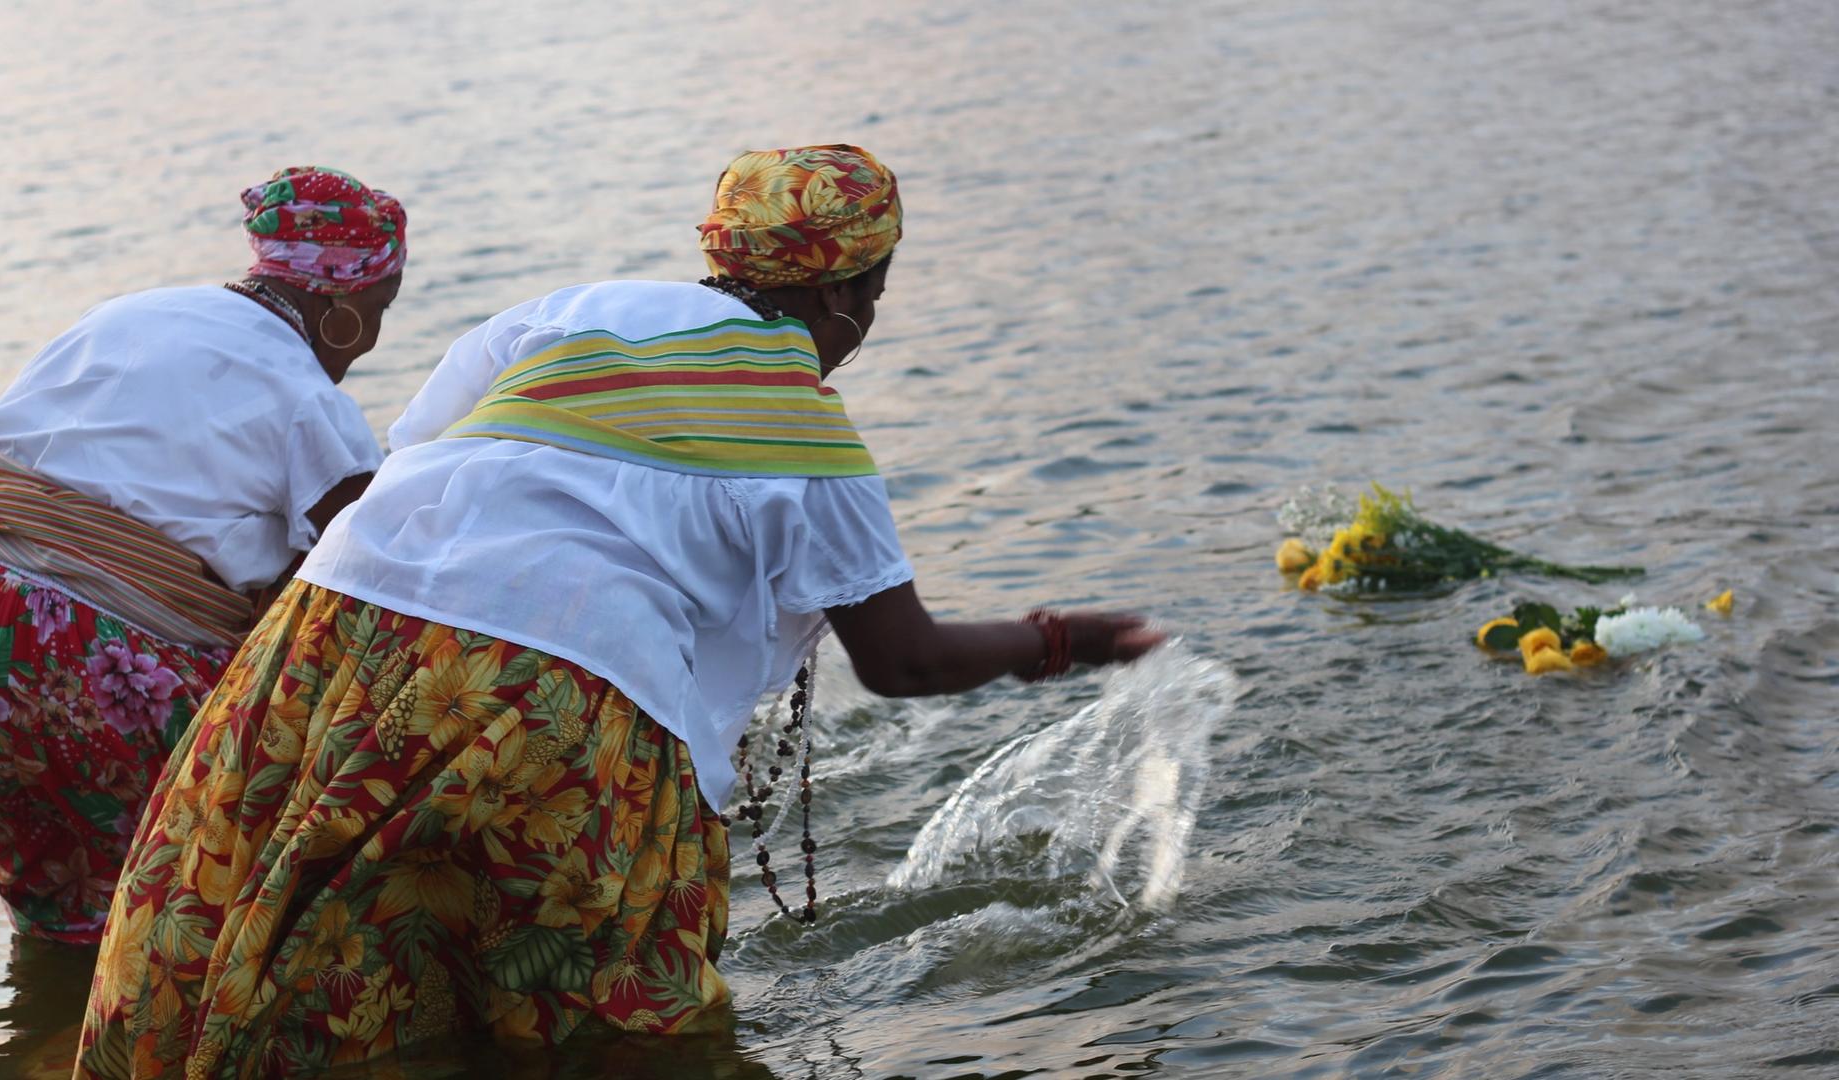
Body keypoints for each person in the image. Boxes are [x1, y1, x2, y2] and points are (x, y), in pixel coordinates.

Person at [74, 145, 1161, 1076]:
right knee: (601, 1020)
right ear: (849, 300)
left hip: (340, 635)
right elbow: (906, 660)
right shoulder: (814, 443)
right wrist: (1063, 639)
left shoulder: (572, 314)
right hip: (569, 697)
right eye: (868, 304)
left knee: (291, 925)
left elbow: (415, 456)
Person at [0, 166, 405, 943]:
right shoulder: (312, 402)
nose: (375, 337)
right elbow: (357, 590)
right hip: (82, 647)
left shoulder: (132, 312)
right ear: (343, 307)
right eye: (381, 310)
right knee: (199, 893)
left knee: (59, 882)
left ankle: (47, 1017)